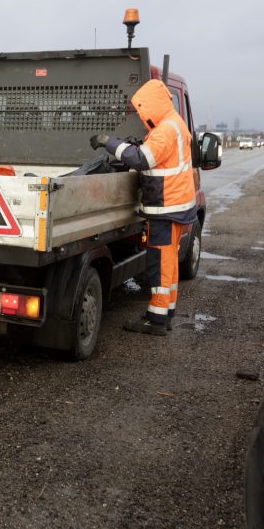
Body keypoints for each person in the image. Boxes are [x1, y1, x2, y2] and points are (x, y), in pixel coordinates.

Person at [90, 78, 197, 336]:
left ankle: (156, 320)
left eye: (141, 110)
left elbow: (142, 159)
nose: (141, 116)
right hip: (176, 208)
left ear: (151, 106)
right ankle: (165, 311)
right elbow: (154, 155)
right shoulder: (174, 124)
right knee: (168, 262)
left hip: (166, 208)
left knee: (159, 265)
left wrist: (109, 142)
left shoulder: (166, 129)